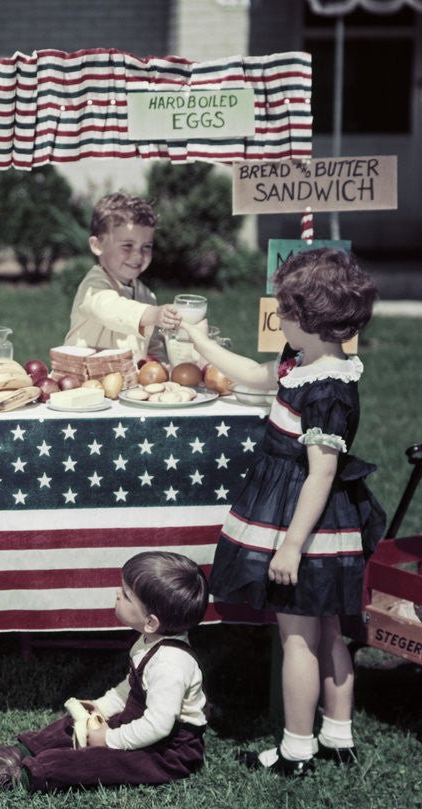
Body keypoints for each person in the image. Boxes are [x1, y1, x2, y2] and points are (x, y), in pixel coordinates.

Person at [184, 247, 385, 776]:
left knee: (298, 636)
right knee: (328, 631)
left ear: (309, 320)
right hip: (322, 519)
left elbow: (320, 473)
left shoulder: (327, 391)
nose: (278, 322)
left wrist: (291, 544)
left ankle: (297, 748)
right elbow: (254, 373)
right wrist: (201, 343)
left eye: (283, 314)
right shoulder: (306, 364)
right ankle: (338, 736)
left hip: (304, 520)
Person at [0, 551, 210, 792]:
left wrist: (110, 740)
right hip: (141, 724)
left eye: (126, 595)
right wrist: (101, 706)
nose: (117, 593)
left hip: (166, 751)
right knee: (77, 720)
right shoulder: (148, 640)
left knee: (97, 761)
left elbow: (159, 725)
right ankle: (14, 754)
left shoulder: (171, 664)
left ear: (151, 621)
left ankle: (16, 777)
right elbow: (132, 689)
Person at [63, 191, 181, 364]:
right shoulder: (93, 286)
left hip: (125, 384)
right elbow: (112, 309)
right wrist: (154, 314)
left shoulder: (146, 295)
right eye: (127, 246)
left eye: (146, 246)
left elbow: (152, 346)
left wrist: (159, 368)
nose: (138, 255)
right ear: (97, 245)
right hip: (82, 381)